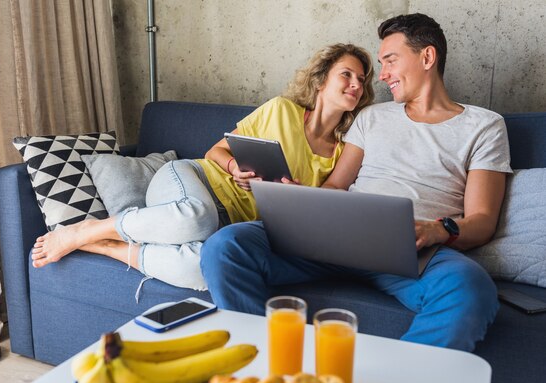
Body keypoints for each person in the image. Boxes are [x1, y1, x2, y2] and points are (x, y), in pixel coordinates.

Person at [200, 13, 512, 352]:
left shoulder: (484, 126)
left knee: (471, 286)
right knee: (225, 246)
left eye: (390, 61)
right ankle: (274, 364)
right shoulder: (372, 117)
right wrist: (303, 199)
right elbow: (335, 187)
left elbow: (482, 221)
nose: (384, 76)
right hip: (336, 237)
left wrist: (438, 230)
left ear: (427, 57)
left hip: (413, 250)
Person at [30, 43, 375, 292]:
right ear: (320, 81)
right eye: (347, 74)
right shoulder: (281, 110)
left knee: (205, 268)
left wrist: (297, 197)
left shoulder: (340, 152)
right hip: (192, 180)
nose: (356, 85)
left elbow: (322, 208)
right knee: (197, 216)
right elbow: (216, 150)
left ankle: (114, 248)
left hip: (232, 222)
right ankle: (88, 230)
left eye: (362, 80)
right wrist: (235, 167)